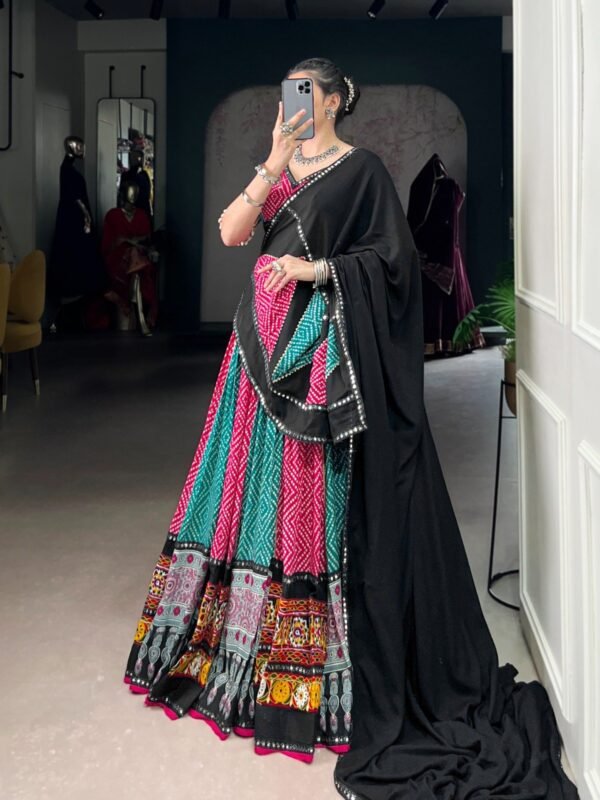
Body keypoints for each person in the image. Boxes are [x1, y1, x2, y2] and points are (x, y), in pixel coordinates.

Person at [123, 58, 579, 800]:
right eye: (289, 89)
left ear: (335, 100)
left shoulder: (361, 170)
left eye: (307, 90)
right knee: (246, 489)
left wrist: (316, 272)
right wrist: (271, 162)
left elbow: (392, 262)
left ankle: (311, 663)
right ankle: (245, 645)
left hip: (319, 350)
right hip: (257, 349)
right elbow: (234, 233)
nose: (295, 101)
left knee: (307, 494)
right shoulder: (281, 165)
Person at [101, 179, 158, 332]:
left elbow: (146, 240)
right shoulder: (113, 215)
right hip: (118, 260)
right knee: (132, 255)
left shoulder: (142, 216)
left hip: (139, 259)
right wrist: (128, 242)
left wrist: (130, 241)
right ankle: (136, 309)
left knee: (137, 264)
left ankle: (138, 305)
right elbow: (108, 245)